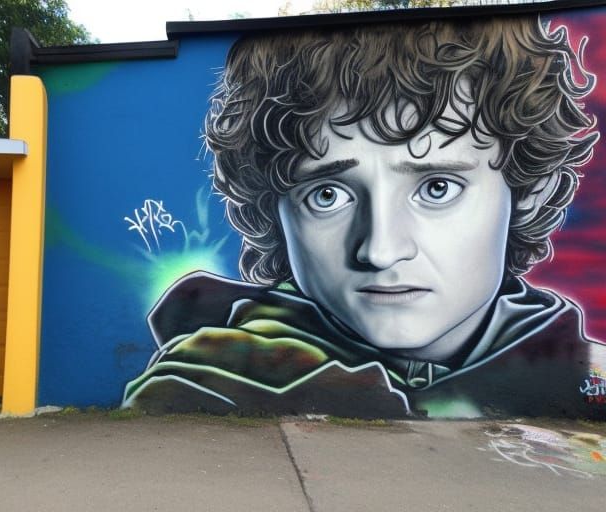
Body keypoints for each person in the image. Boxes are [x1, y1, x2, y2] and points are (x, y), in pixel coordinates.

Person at [123, 15, 605, 418]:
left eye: (437, 188)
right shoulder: (211, 381)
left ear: (530, 191)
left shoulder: (589, 376)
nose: (380, 250)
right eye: (327, 195)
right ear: (273, 211)